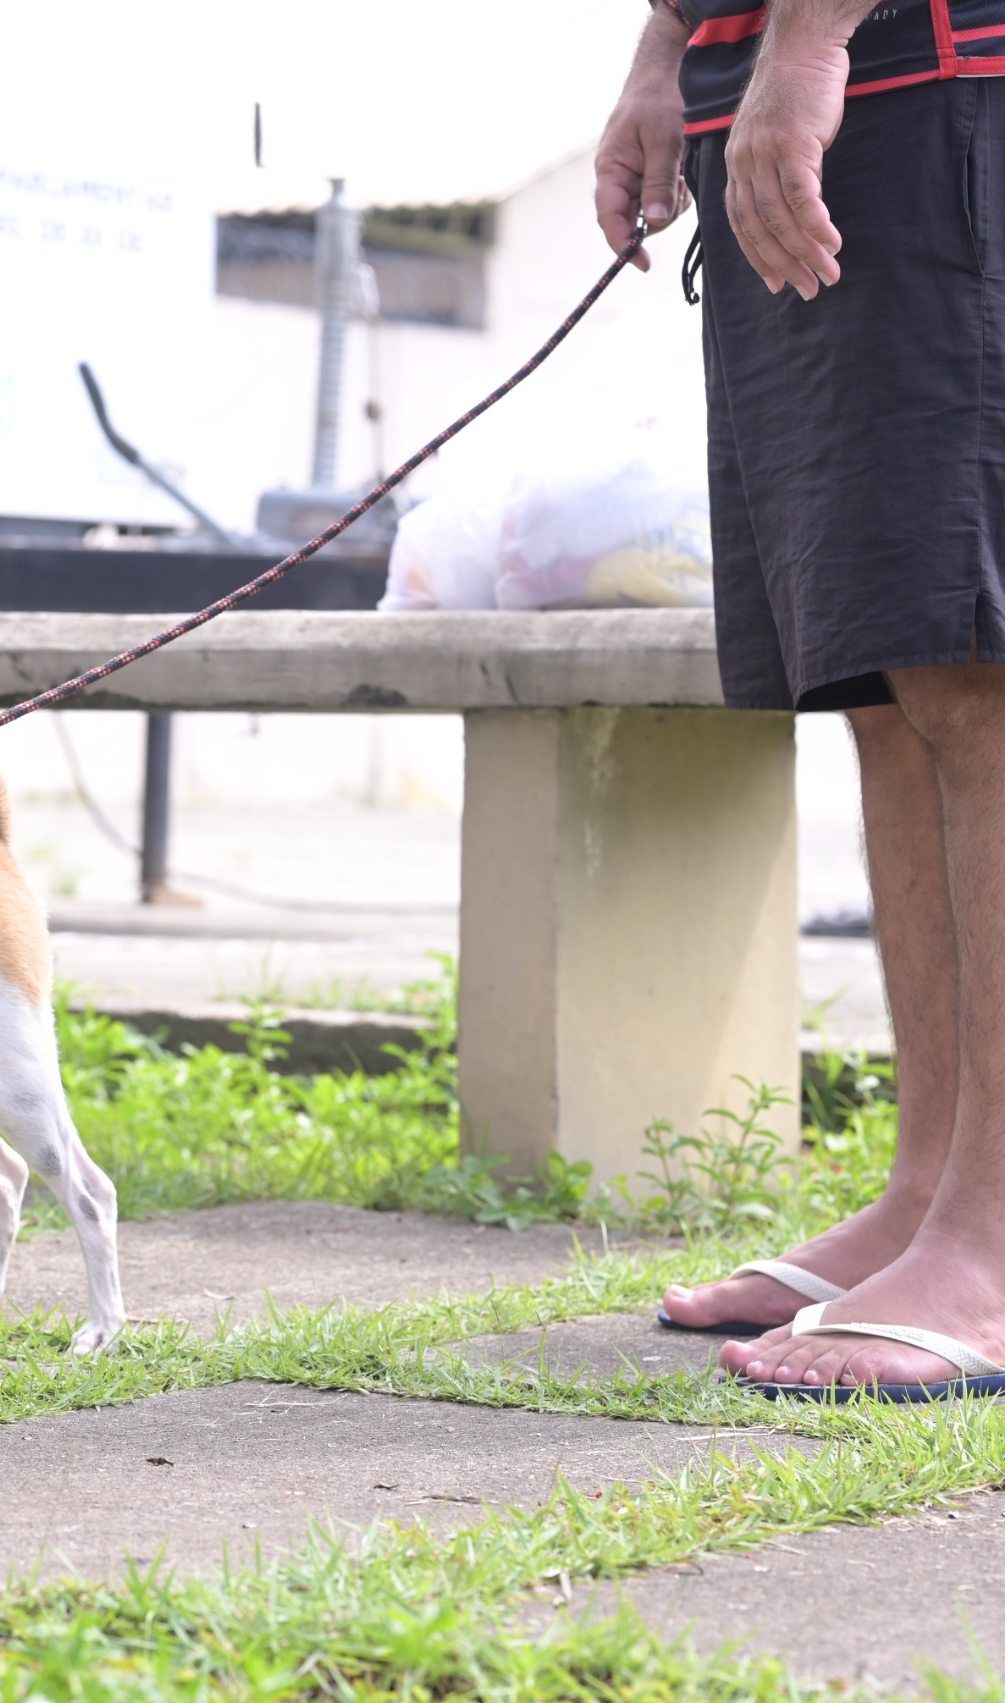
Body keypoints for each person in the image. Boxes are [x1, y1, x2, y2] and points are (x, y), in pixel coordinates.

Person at [598, 0, 1005, 1395]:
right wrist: (671, 47)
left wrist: (811, 34)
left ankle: (995, 1240)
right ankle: (933, 1190)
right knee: (891, 678)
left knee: (977, 667)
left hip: (938, 73)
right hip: (794, 85)